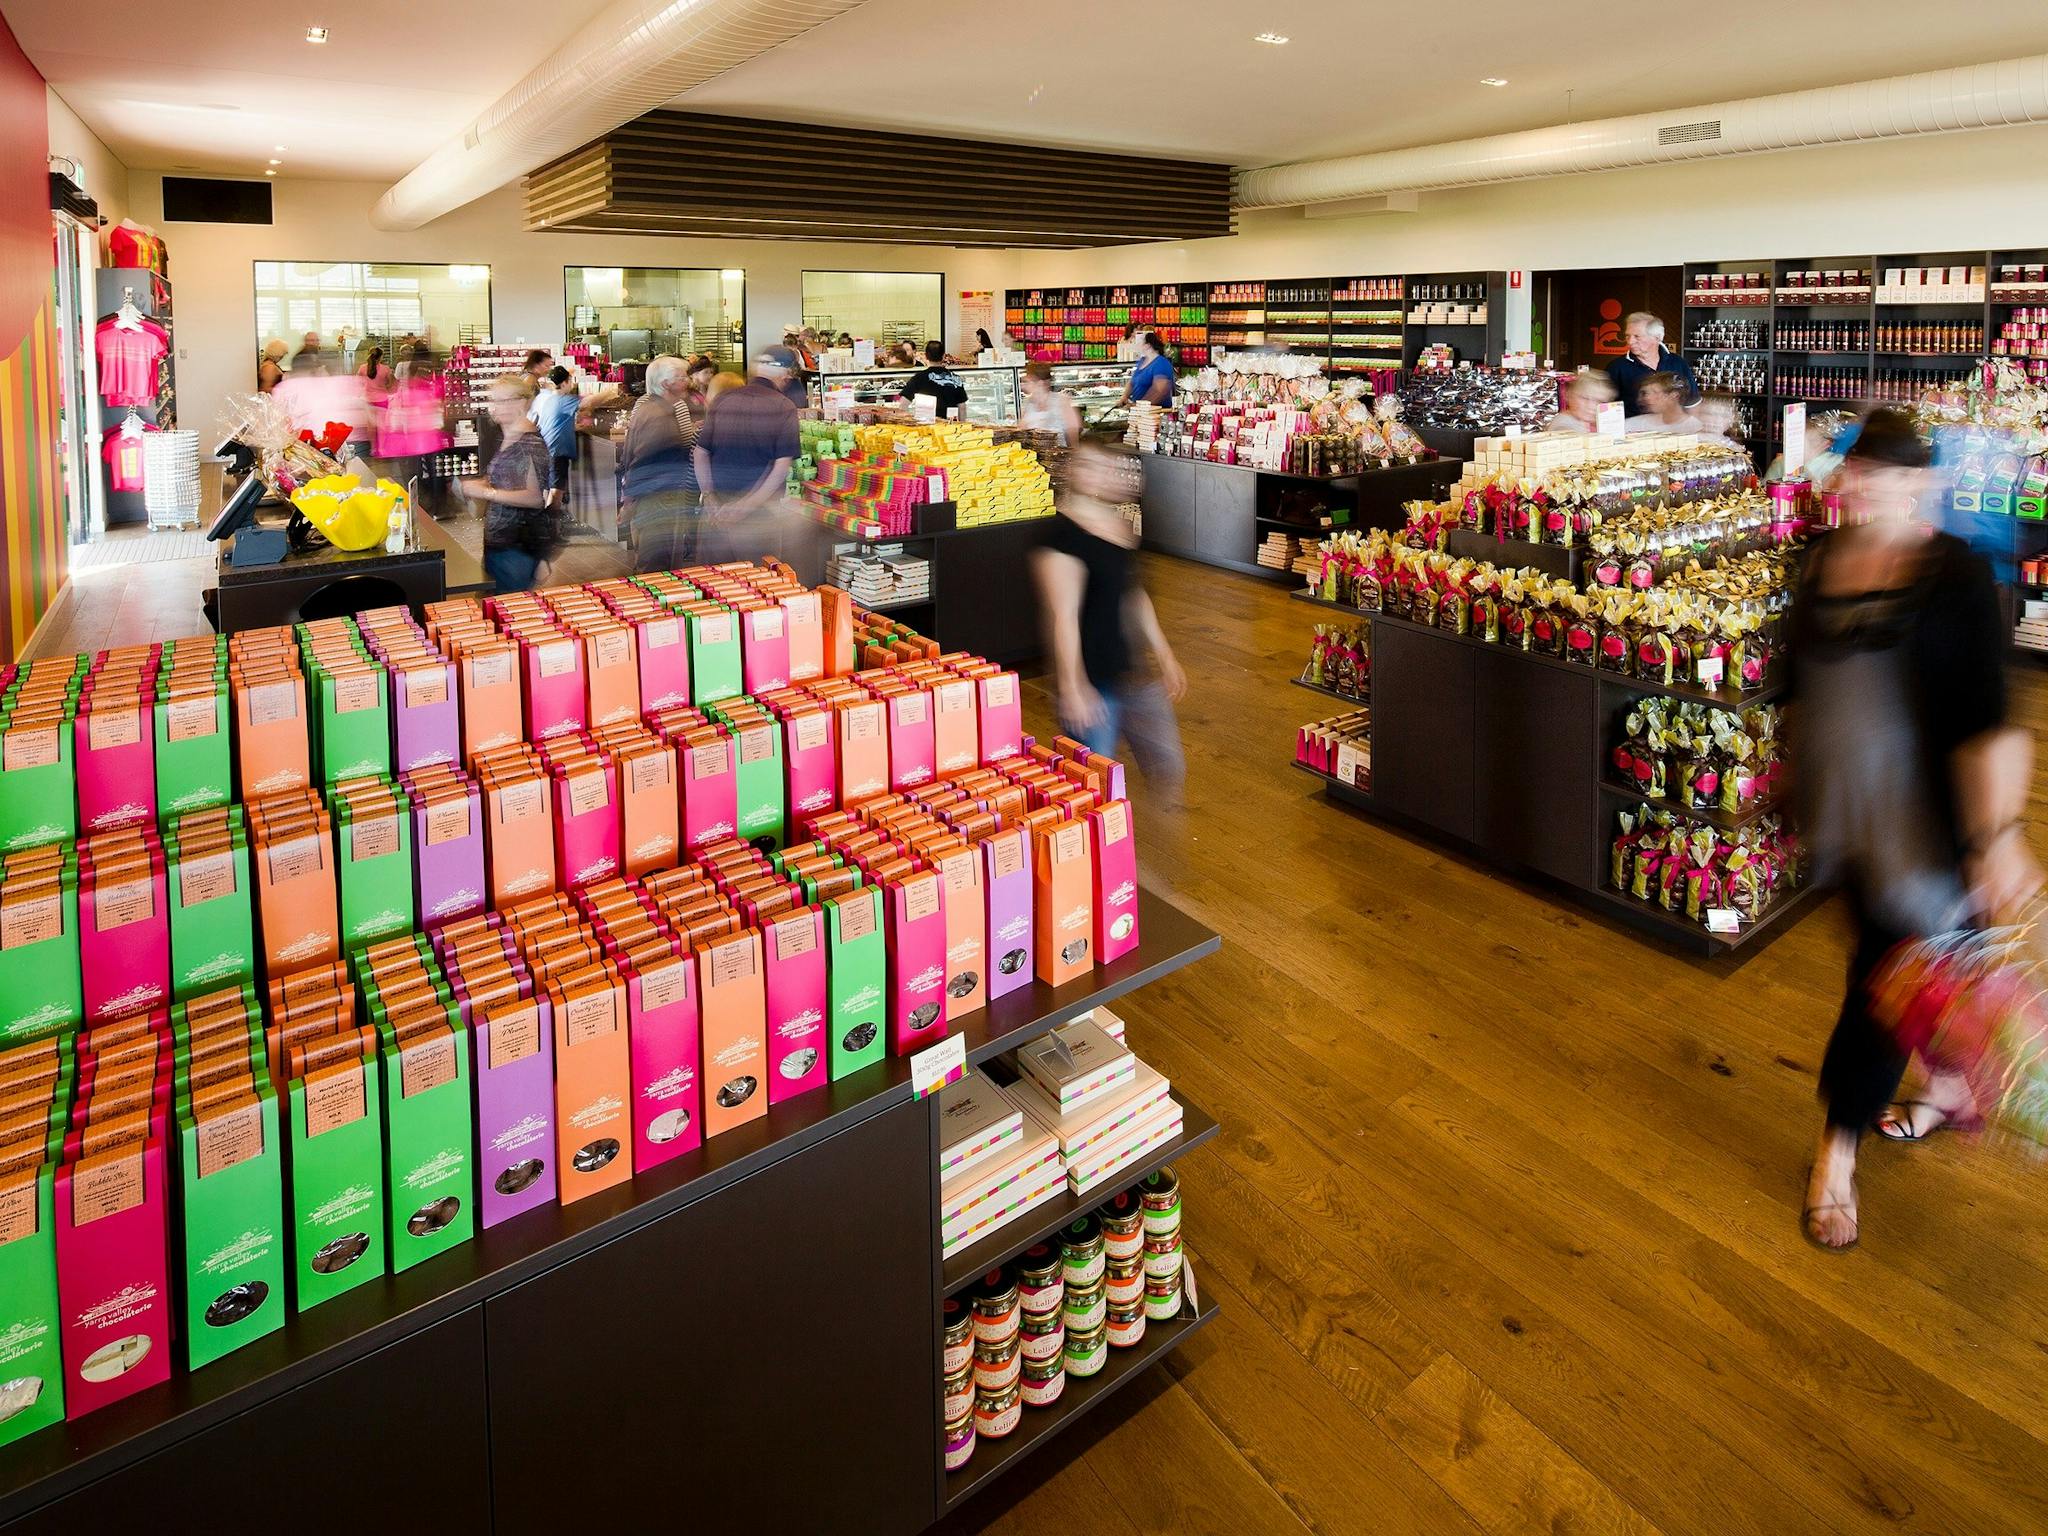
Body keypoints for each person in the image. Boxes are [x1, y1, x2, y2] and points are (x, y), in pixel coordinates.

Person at [1787, 408, 2041, 1250]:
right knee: (1925, 973)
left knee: (1878, 988)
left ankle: (1836, 1154)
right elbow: (1804, 690)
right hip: (1845, 820)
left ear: (1924, 484)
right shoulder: (1818, 561)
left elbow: (1989, 716)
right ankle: (1940, 1091)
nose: (1876, 491)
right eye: (1864, 474)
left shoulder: (1955, 576)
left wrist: (1996, 836)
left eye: (1898, 477)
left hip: (1926, 827)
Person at [1034, 444, 1187, 796]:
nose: (1098, 473)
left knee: (1168, 766)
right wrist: (1073, 686)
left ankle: (1154, 840)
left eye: (1105, 467)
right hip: (1093, 679)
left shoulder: (1119, 524)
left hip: (1133, 673)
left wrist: (1165, 654)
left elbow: (1134, 594)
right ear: (1071, 470)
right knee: (1094, 784)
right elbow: (1063, 617)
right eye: (1088, 465)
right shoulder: (1061, 536)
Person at [693, 345, 800, 565]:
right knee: (758, 588)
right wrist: (744, 507)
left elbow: (700, 453)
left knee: (716, 587)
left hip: (715, 514)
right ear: (785, 374)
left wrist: (710, 498)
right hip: (758, 519)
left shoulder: (722, 400)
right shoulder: (784, 407)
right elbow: (779, 468)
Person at [465, 374, 558, 595]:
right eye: (493, 400)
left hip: (515, 547)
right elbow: (507, 479)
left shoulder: (530, 442)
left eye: (500, 400)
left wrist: (487, 492)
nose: (493, 407)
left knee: (508, 612)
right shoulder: (507, 436)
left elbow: (535, 498)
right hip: (501, 543)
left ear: (519, 403)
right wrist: (480, 485)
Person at [618, 354, 700, 572]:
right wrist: (629, 502)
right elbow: (642, 463)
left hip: (657, 498)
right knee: (657, 566)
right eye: (682, 377)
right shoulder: (659, 415)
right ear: (666, 384)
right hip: (659, 500)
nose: (688, 382)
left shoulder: (652, 408)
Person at [1607, 312, 1699, 412]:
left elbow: (1692, 403)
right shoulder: (1616, 367)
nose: (1630, 341)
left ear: (1657, 338)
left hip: (1673, 426)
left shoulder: (1678, 362)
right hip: (1634, 426)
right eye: (1627, 336)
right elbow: (1606, 409)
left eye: (1637, 336)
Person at [530, 365, 583, 507]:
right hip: (556, 450)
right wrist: (609, 394)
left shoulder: (542, 397)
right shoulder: (566, 400)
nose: (571, 384)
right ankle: (550, 525)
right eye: (570, 380)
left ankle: (547, 521)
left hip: (541, 448)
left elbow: (532, 420)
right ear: (565, 383)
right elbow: (589, 402)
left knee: (546, 488)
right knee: (556, 491)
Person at [896, 340, 969, 419]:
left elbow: (903, 404)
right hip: (950, 427)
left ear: (926, 356)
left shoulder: (919, 378)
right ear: (943, 356)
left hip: (927, 426)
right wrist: (962, 426)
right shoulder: (955, 378)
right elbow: (962, 408)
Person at [1020, 360, 1082, 446]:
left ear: (1040, 383)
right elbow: (1022, 430)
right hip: (1033, 456)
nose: (1024, 385)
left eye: (1028, 381)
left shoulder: (1061, 401)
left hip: (1057, 456)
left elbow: (1073, 433)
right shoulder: (1029, 404)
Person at [1624, 372, 1702, 434]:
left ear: (1674, 395)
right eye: (1646, 393)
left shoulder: (1697, 428)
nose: (1647, 398)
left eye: (1655, 392)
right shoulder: (1633, 424)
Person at [1547, 371, 1615, 433]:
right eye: (1585, 398)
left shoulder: (1596, 423)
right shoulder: (1563, 426)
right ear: (1569, 396)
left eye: (1600, 401)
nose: (1591, 406)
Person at [1124, 332, 1175, 408]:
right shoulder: (1142, 361)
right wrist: (1125, 396)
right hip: (1140, 412)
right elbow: (1132, 382)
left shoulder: (1161, 363)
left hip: (1155, 413)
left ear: (1148, 345)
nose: (1137, 346)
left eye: (1140, 343)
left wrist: (1140, 406)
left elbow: (1160, 391)